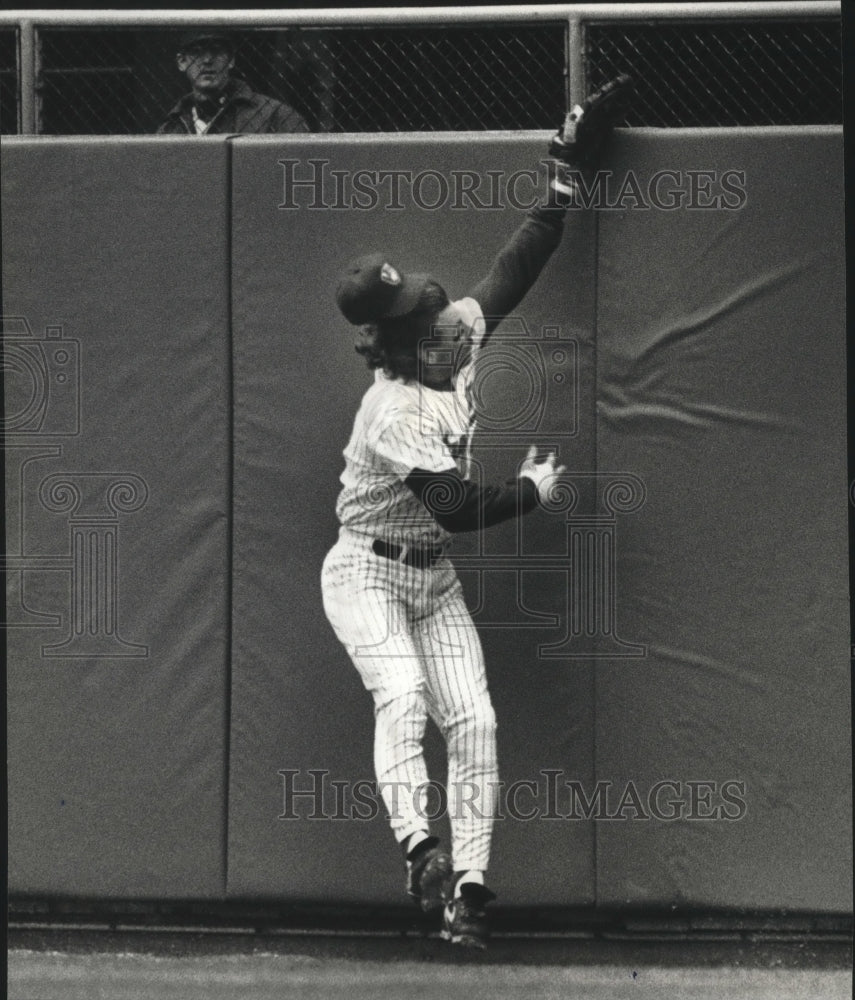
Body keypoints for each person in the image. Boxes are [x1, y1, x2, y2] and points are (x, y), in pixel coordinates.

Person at [321, 78, 631, 949]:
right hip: (366, 573)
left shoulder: (445, 341)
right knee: (405, 694)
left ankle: (469, 890)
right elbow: (454, 507)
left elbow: (513, 267)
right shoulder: (390, 411)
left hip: (431, 580)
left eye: (429, 303)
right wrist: (528, 494)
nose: (442, 316)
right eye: (420, 317)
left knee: (477, 720)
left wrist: (560, 176)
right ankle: (417, 845)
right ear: (388, 343)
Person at [157, 31, 309, 135]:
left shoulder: (275, 115)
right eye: (197, 52)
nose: (207, 60)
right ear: (182, 62)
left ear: (231, 60)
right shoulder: (172, 125)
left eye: (216, 51)